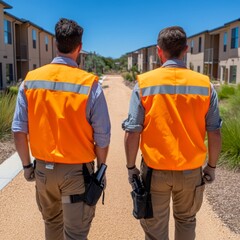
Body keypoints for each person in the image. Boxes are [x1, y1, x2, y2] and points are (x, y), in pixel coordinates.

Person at [12, 18, 111, 240]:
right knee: (75, 234)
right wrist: (101, 168)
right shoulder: (89, 84)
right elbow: (102, 137)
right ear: (80, 47)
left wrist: (27, 166)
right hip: (77, 173)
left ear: (56, 44)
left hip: (43, 173)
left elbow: (19, 129)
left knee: (52, 226)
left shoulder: (30, 81)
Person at [123, 26, 222, 240]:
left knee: (155, 229)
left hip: (155, 171)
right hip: (190, 171)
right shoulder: (205, 85)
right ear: (185, 50)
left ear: (159, 51)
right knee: (186, 221)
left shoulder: (144, 84)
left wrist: (131, 168)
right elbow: (214, 132)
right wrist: (211, 167)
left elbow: (132, 132)